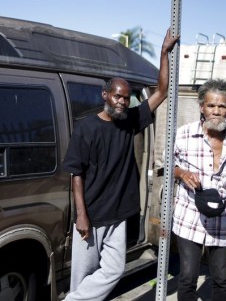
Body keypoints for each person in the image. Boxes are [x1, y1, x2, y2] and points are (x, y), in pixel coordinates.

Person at [62, 29, 179, 301]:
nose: (122, 102)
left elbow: (162, 91)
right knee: (83, 278)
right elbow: (76, 174)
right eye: (117, 96)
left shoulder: (129, 121)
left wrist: (164, 52)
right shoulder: (87, 128)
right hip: (91, 216)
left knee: (113, 271)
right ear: (105, 95)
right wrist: (81, 214)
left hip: (117, 216)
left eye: (126, 98)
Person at [171, 78, 226, 301]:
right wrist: (182, 174)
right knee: (188, 276)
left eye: (222, 106)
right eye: (211, 105)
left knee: (222, 278)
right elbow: (167, 164)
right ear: (202, 107)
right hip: (189, 215)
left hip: (224, 219)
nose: (216, 111)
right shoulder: (183, 135)